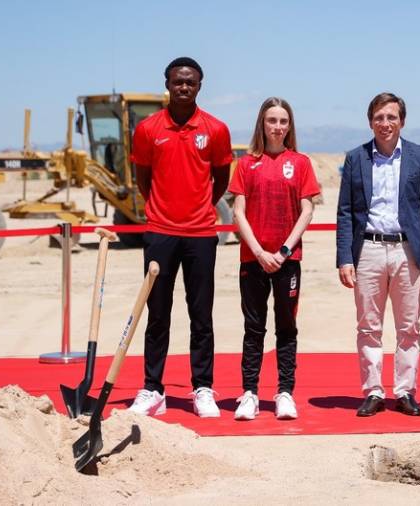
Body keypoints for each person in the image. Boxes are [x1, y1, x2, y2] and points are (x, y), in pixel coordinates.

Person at [128, 57, 233, 418]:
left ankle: (202, 388)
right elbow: (144, 179)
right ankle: (153, 389)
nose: (183, 87)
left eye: (190, 82)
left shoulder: (216, 129)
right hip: (160, 233)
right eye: (177, 82)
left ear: (200, 85)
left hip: (202, 233)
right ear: (167, 84)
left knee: (201, 315)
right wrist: (163, 210)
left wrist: (200, 206)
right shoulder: (147, 129)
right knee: (157, 314)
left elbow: (220, 179)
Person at [336, 92, 420, 417]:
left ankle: (405, 391)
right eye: (379, 118)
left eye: (391, 117)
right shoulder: (356, 158)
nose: (385, 123)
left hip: (408, 251)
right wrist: (344, 258)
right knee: (368, 326)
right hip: (367, 250)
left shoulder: (419, 157)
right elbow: (344, 211)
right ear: (371, 122)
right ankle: (373, 391)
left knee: (409, 326)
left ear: (402, 121)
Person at [228, 97, 320, 421]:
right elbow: (238, 211)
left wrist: (282, 251)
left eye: (283, 121)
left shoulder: (301, 163)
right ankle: (249, 393)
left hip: (287, 260)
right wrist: (259, 252)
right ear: (262, 124)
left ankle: (284, 393)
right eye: (272, 121)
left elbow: (307, 209)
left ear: (289, 125)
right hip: (253, 259)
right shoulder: (245, 164)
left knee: (286, 327)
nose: (277, 127)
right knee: (253, 329)